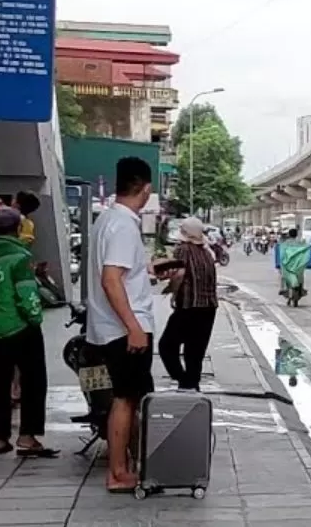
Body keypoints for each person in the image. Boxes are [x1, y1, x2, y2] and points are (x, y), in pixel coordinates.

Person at [84, 156, 159, 492]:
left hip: (107, 327)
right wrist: (134, 326)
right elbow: (111, 279)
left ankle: (126, 465)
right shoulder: (125, 225)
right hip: (124, 330)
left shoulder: (105, 220)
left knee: (127, 396)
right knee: (126, 399)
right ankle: (117, 472)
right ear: (145, 189)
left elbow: (118, 275)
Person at [0, 207, 53, 457]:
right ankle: (27, 437)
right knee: (33, 380)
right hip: (19, 327)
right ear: (18, 228)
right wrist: (35, 318)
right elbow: (27, 294)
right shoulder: (20, 256)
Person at [158, 216, 219, 392]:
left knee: (167, 346)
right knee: (195, 352)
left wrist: (172, 292)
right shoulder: (207, 252)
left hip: (188, 306)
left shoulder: (183, 250)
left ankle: (183, 380)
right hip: (209, 308)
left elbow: (177, 274)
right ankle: (192, 386)